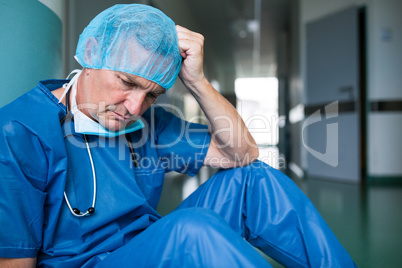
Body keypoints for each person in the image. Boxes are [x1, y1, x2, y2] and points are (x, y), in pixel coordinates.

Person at [0, 4, 356, 268]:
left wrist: (198, 82)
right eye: (127, 82)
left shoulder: (149, 124)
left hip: (146, 247)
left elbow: (241, 154)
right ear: (91, 55)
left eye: (153, 93)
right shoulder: (20, 130)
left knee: (253, 180)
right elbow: (14, 262)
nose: (136, 107)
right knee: (191, 229)